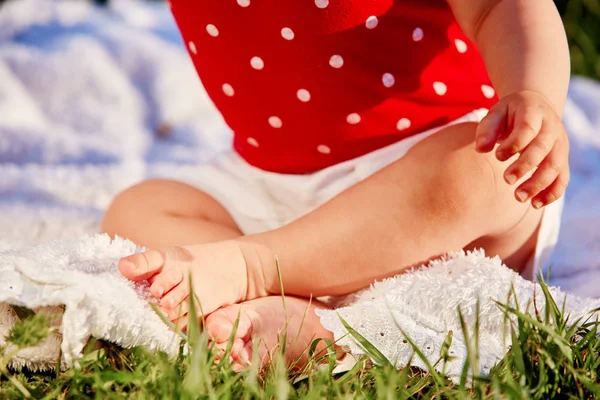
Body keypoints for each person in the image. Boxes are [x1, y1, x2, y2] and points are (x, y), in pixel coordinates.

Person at [102, 0, 570, 368]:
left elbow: (499, 6)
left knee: (484, 172)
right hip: (271, 179)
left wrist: (531, 93)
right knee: (137, 210)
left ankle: (254, 267)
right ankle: (301, 314)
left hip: (423, 179)